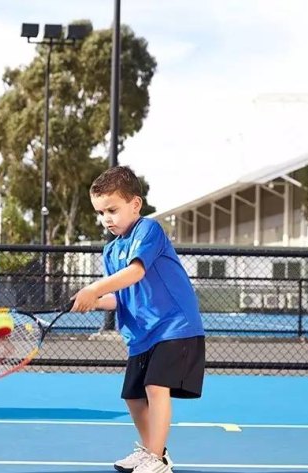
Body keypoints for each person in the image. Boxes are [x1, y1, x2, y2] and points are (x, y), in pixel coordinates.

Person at [70, 166, 206, 473]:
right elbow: (120, 295)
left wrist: (93, 288)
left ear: (135, 204)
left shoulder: (149, 230)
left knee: (156, 386)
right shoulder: (109, 250)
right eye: (101, 212)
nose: (106, 218)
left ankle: (155, 460)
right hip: (140, 334)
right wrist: (94, 301)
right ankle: (153, 453)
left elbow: (136, 272)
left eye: (113, 210)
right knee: (133, 396)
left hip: (174, 326)